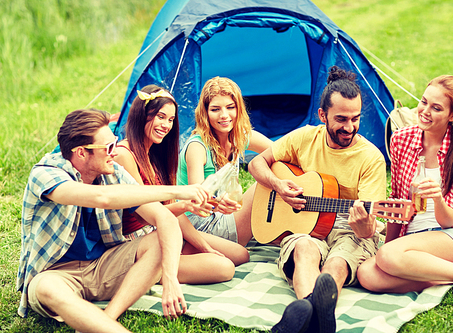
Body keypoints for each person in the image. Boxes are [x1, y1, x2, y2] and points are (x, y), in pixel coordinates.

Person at [17, 109, 210, 333]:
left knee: (162, 239)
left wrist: (170, 279)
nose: (114, 152)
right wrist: (181, 191)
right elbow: (103, 198)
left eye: (115, 143)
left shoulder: (112, 171)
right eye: (108, 147)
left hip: (103, 266)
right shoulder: (46, 174)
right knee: (47, 291)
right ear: (81, 153)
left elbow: (164, 217)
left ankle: (107, 317)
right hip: (56, 272)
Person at [248, 66, 387, 333]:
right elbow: (257, 163)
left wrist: (364, 225)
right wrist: (278, 186)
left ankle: (306, 315)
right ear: (322, 114)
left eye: (356, 118)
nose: (350, 127)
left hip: (350, 228)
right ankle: (316, 316)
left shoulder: (370, 158)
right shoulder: (304, 138)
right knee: (304, 250)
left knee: (337, 261)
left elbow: (369, 229)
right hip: (305, 227)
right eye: (341, 119)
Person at [113, 84, 249, 284]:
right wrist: (186, 205)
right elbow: (148, 214)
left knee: (239, 254)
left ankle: (176, 260)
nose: (166, 126)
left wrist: (204, 247)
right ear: (142, 115)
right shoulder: (124, 155)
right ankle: (150, 271)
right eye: (160, 117)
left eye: (170, 119)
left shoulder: (155, 154)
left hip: (165, 232)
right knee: (224, 268)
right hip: (138, 244)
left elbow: (171, 212)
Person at [357, 75, 453, 293]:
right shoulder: (401, 140)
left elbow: (450, 221)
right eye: (424, 102)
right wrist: (389, 244)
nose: (425, 111)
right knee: (366, 273)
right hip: (413, 238)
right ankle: (440, 275)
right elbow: (397, 200)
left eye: (436, 108)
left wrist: (438, 199)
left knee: (388, 256)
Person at [177, 76, 272, 246]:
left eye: (230, 107)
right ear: (205, 113)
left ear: (239, 109)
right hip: (201, 225)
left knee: (278, 169)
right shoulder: (197, 147)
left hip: (226, 215)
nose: (224, 115)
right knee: (264, 184)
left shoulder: (239, 137)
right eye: (215, 109)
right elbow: (198, 201)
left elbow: (280, 150)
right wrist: (218, 202)